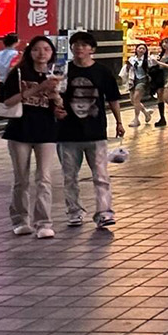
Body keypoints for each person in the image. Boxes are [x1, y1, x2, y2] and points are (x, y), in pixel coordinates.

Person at [56, 32, 123, 229]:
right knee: (69, 176)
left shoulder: (102, 72)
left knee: (101, 175)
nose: (79, 48)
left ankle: (104, 212)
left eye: (84, 45)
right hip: (67, 133)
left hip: (96, 132)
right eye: (75, 44)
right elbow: (54, 95)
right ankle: (74, 212)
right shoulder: (63, 71)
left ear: (92, 49)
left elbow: (113, 99)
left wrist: (119, 122)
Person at [0, 35, 61, 236]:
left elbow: (60, 107)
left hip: (46, 130)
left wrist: (56, 97)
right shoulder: (18, 73)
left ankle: (44, 223)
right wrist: (39, 88)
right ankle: (20, 220)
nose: (41, 53)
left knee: (44, 177)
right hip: (20, 129)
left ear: (52, 53)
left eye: (46, 49)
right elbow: (8, 101)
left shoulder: (56, 76)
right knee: (21, 179)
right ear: (29, 52)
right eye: (36, 49)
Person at [151, 38, 168, 127]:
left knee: (166, 96)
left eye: (166, 43)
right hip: (161, 77)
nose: (164, 44)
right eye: (163, 43)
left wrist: (159, 63)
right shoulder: (161, 54)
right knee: (160, 96)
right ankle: (162, 118)